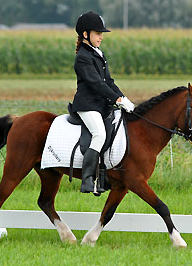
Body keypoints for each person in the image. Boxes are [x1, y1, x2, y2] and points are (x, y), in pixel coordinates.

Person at [71, 11, 135, 193]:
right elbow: (96, 84)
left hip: (100, 105)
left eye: (101, 34)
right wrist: (116, 99)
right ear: (85, 35)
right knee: (99, 134)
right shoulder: (83, 57)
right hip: (87, 105)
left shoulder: (98, 53)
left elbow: (109, 81)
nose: (101, 37)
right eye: (97, 33)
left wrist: (123, 98)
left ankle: (104, 177)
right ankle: (87, 179)